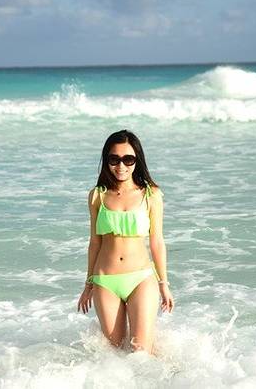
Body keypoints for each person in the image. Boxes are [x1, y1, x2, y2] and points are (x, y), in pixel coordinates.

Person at [77, 129, 174, 353]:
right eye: (114, 159)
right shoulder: (97, 196)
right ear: (107, 160)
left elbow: (157, 242)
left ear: (137, 160)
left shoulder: (151, 195)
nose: (121, 166)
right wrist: (88, 284)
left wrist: (164, 284)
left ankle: (168, 372)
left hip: (141, 278)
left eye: (128, 159)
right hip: (105, 281)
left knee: (141, 351)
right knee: (115, 352)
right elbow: (94, 243)